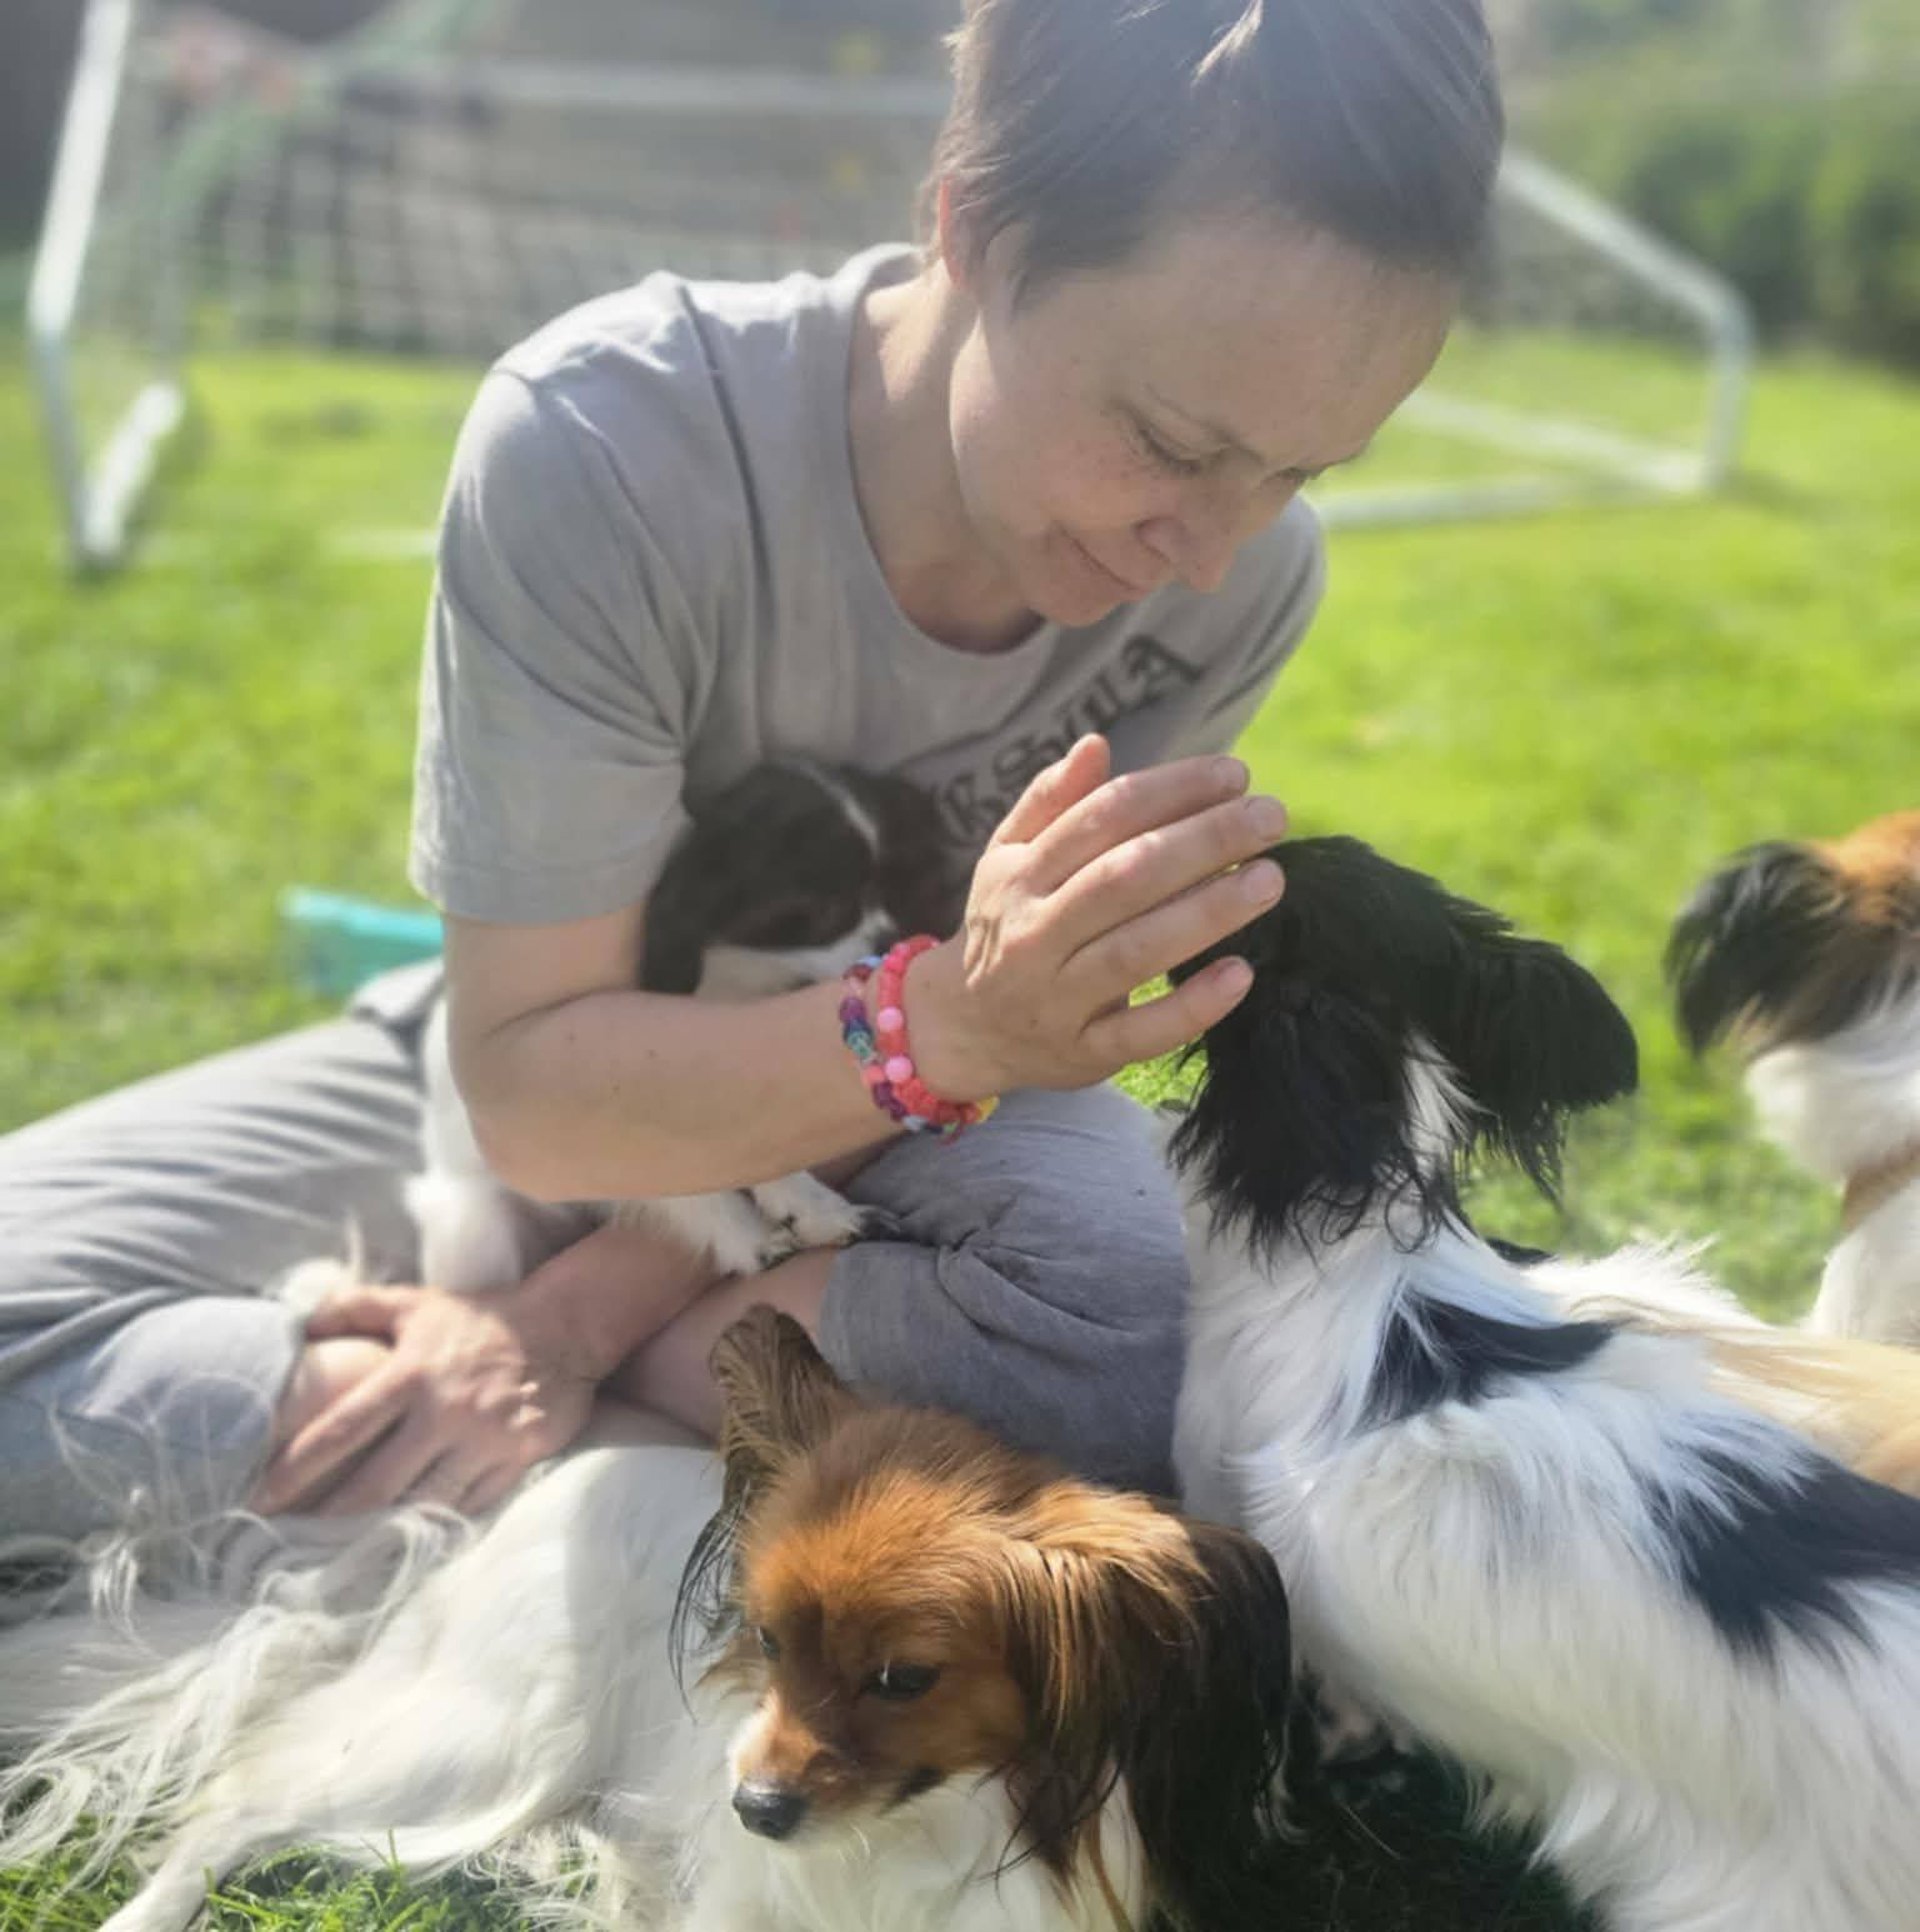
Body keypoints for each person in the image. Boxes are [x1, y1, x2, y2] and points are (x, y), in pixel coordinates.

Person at [0, 0, 1504, 1549]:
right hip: (542, 1092)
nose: (1209, 551)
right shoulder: (601, 444)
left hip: (885, 1155)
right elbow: (528, 1089)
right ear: (971, 223)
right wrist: (942, 1025)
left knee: (1147, 1325)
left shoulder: (1247, 575)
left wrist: (567, 1327)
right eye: (1175, 444)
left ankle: (500, 1464)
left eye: (1301, 472)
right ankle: (598, 1468)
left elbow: (998, 1106)